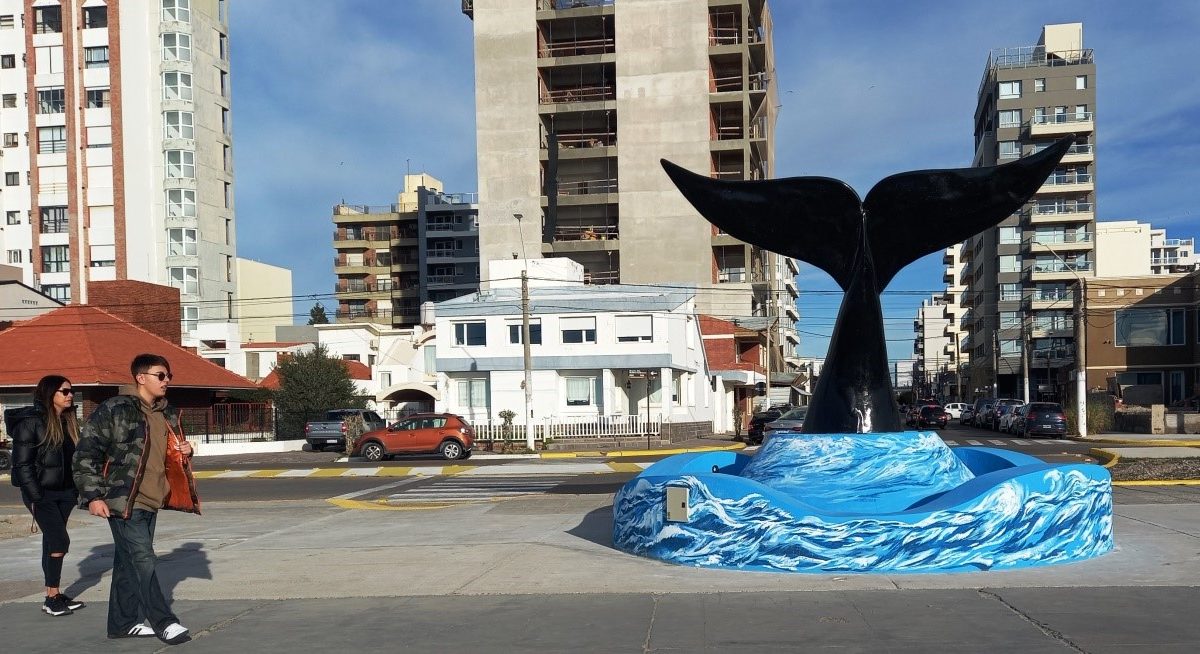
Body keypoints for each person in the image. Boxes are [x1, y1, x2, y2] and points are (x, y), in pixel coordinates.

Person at [73, 354, 200, 644]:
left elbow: (164, 454)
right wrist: (93, 496)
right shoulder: (116, 409)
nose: (166, 381)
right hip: (123, 499)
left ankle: (122, 624)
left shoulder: (166, 413)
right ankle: (164, 622)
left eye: (168, 376)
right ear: (141, 378)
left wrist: (185, 451)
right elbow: (86, 453)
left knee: (127, 563)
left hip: (152, 499)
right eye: (160, 375)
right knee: (143, 559)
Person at [9, 375, 86, 617]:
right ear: (50, 393)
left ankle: (53, 594)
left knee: (52, 542)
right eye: (65, 391)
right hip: (42, 494)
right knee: (60, 541)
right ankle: (51, 597)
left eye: (71, 391)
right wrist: (37, 496)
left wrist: (75, 490)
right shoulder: (30, 423)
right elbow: (22, 465)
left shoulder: (68, 422)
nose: (70, 395)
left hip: (66, 493)